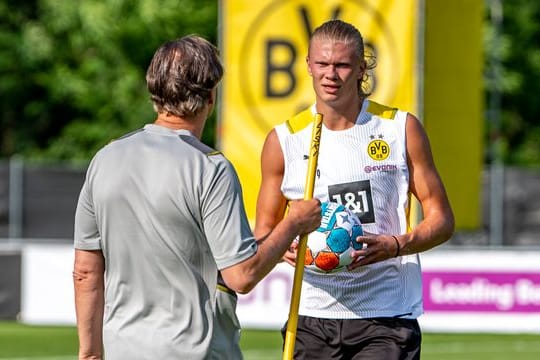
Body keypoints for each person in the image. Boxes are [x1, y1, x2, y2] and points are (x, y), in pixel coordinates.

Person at [72, 35, 321, 360]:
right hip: (197, 351)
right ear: (210, 97)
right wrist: (293, 223)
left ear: (155, 92)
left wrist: (90, 354)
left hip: (123, 349)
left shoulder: (104, 159)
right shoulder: (211, 168)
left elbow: (85, 271)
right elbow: (241, 276)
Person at [254, 19, 455, 359]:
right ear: (307, 65)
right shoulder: (284, 140)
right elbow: (263, 230)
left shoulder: (398, 129)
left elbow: (442, 219)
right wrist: (282, 247)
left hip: (386, 317)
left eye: (342, 65)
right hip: (311, 316)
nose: (330, 74)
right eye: (322, 64)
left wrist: (396, 245)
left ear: (362, 67)